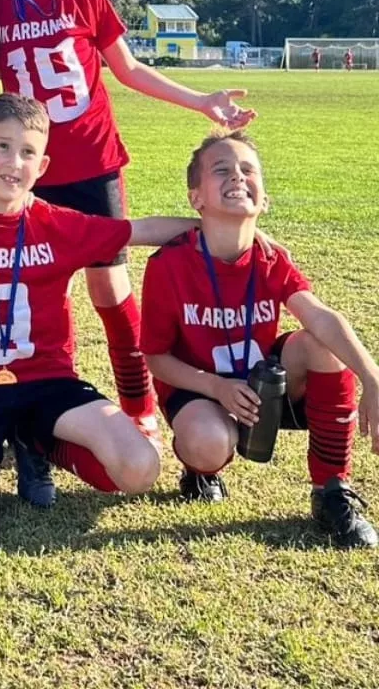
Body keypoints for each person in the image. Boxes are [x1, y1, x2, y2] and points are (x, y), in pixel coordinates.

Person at [0, 0, 255, 492]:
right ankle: (41, 419)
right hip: (30, 173)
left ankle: (141, 408)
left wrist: (201, 102)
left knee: (111, 292)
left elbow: (129, 70)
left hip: (92, 166)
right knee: (40, 298)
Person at [0, 94, 197, 528]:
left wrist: (227, 228)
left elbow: (142, 230)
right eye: (2, 146)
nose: (14, 162)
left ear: (42, 166)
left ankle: (39, 441)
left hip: (49, 383)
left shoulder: (59, 224)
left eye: (27, 152)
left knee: (140, 469)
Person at [140, 131, 379, 547]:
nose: (237, 176)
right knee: (207, 443)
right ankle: (200, 472)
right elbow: (157, 358)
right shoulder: (169, 264)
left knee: (320, 344)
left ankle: (331, 490)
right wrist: (217, 387)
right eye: (221, 170)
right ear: (196, 197)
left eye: (248, 169)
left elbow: (321, 318)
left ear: (264, 198)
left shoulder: (270, 258)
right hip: (198, 388)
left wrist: (372, 378)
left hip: (259, 387)